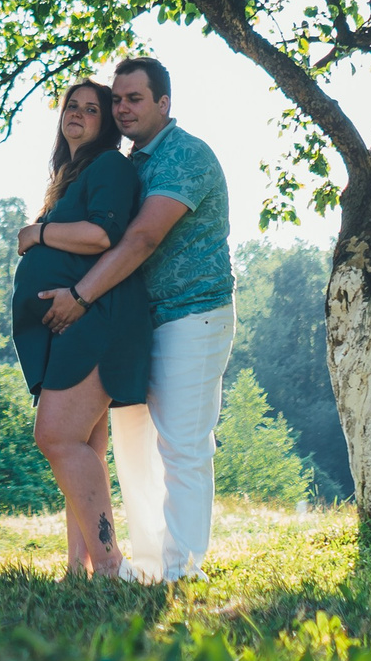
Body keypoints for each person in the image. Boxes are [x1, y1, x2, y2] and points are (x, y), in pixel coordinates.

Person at [35, 56, 235, 581]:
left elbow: (142, 238)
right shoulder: (135, 161)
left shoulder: (184, 155)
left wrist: (79, 294)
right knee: (133, 451)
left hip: (192, 315)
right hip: (139, 322)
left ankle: (183, 571)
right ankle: (143, 566)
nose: (121, 107)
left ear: (163, 104)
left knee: (183, 446)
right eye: (117, 98)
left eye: (134, 99)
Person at [9, 81, 154, 577]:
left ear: (106, 124)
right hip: (72, 324)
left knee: (56, 436)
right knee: (85, 445)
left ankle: (112, 564)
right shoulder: (70, 175)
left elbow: (102, 234)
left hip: (95, 320)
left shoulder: (108, 165)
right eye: (72, 105)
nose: (79, 113)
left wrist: (38, 233)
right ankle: (81, 565)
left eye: (93, 109)